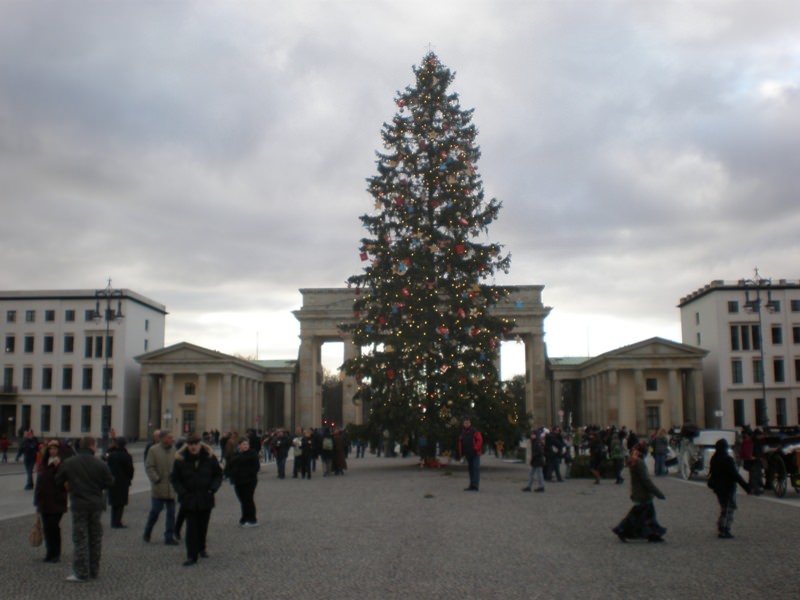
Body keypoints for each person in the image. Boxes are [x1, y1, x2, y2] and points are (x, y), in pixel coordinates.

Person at [55, 436, 113, 582]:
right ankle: (94, 570)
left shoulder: (69, 463)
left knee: (81, 538)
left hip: (79, 504)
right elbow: (110, 482)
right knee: (95, 538)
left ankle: (81, 572)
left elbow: (58, 481)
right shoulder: (100, 464)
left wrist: (70, 485)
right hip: (95, 504)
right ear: (92, 446)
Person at [170, 433, 223, 566]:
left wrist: (213, 488)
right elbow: (175, 479)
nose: (193, 447)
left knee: (202, 526)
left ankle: (202, 548)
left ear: (200, 445)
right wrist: (182, 492)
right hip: (189, 499)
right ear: (187, 446)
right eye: (190, 444)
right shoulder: (180, 460)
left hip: (206, 497)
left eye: (195, 444)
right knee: (191, 528)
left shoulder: (210, 458)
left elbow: (218, 474)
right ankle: (191, 555)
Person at [612, 440, 666, 543]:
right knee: (637, 516)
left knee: (647, 515)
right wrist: (657, 493)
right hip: (643, 494)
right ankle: (622, 530)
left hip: (639, 493)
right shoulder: (639, 462)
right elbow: (646, 480)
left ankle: (652, 534)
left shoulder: (635, 460)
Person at [34, 440, 69, 563]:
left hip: (56, 500)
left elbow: (63, 481)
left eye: (54, 449)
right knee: (47, 528)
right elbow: (39, 483)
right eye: (50, 449)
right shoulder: (43, 463)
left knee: (53, 527)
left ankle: (55, 553)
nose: (52, 451)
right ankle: (49, 552)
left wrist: (58, 466)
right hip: (44, 501)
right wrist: (36, 500)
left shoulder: (62, 464)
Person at [707, 437, 749, 539]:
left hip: (718, 487)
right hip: (728, 487)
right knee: (728, 508)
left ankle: (722, 526)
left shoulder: (714, 458)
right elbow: (735, 475)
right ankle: (724, 529)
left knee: (724, 507)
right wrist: (746, 487)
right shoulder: (727, 459)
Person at [144, 430, 179, 545]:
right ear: (163, 438)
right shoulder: (153, 450)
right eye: (170, 437)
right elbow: (149, 467)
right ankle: (148, 531)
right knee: (155, 512)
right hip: (159, 487)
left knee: (171, 514)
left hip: (171, 488)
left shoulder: (174, 450)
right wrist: (156, 479)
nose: (172, 440)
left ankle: (169, 536)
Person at [225, 437, 260, 527]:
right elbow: (229, 465)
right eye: (244, 444)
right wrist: (229, 474)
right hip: (238, 481)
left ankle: (252, 519)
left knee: (248, 499)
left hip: (249, 481)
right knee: (242, 500)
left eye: (247, 444)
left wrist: (249, 474)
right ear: (239, 445)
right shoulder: (236, 454)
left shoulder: (252, 454)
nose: (245, 446)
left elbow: (256, 467)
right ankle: (244, 518)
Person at [105, 437, 134, 528]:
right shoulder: (126, 456)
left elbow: (105, 459)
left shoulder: (111, 455)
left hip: (112, 480)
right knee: (121, 503)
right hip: (123, 481)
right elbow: (130, 470)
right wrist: (129, 478)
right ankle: (117, 522)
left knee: (114, 502)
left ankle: (113, 521)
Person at [458, 418, 482, 491]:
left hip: (475, 454)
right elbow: (460, 443)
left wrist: (475, 448)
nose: (466, 424)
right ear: (463, 424)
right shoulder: (462, 433)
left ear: (470, 423)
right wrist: (461, 453)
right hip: (468, 454)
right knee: (471, 470)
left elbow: (480, 440)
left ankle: (475, 486)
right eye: (465, 423)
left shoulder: (475, 432)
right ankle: (472, 485)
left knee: (475, 469)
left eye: (468, 423)